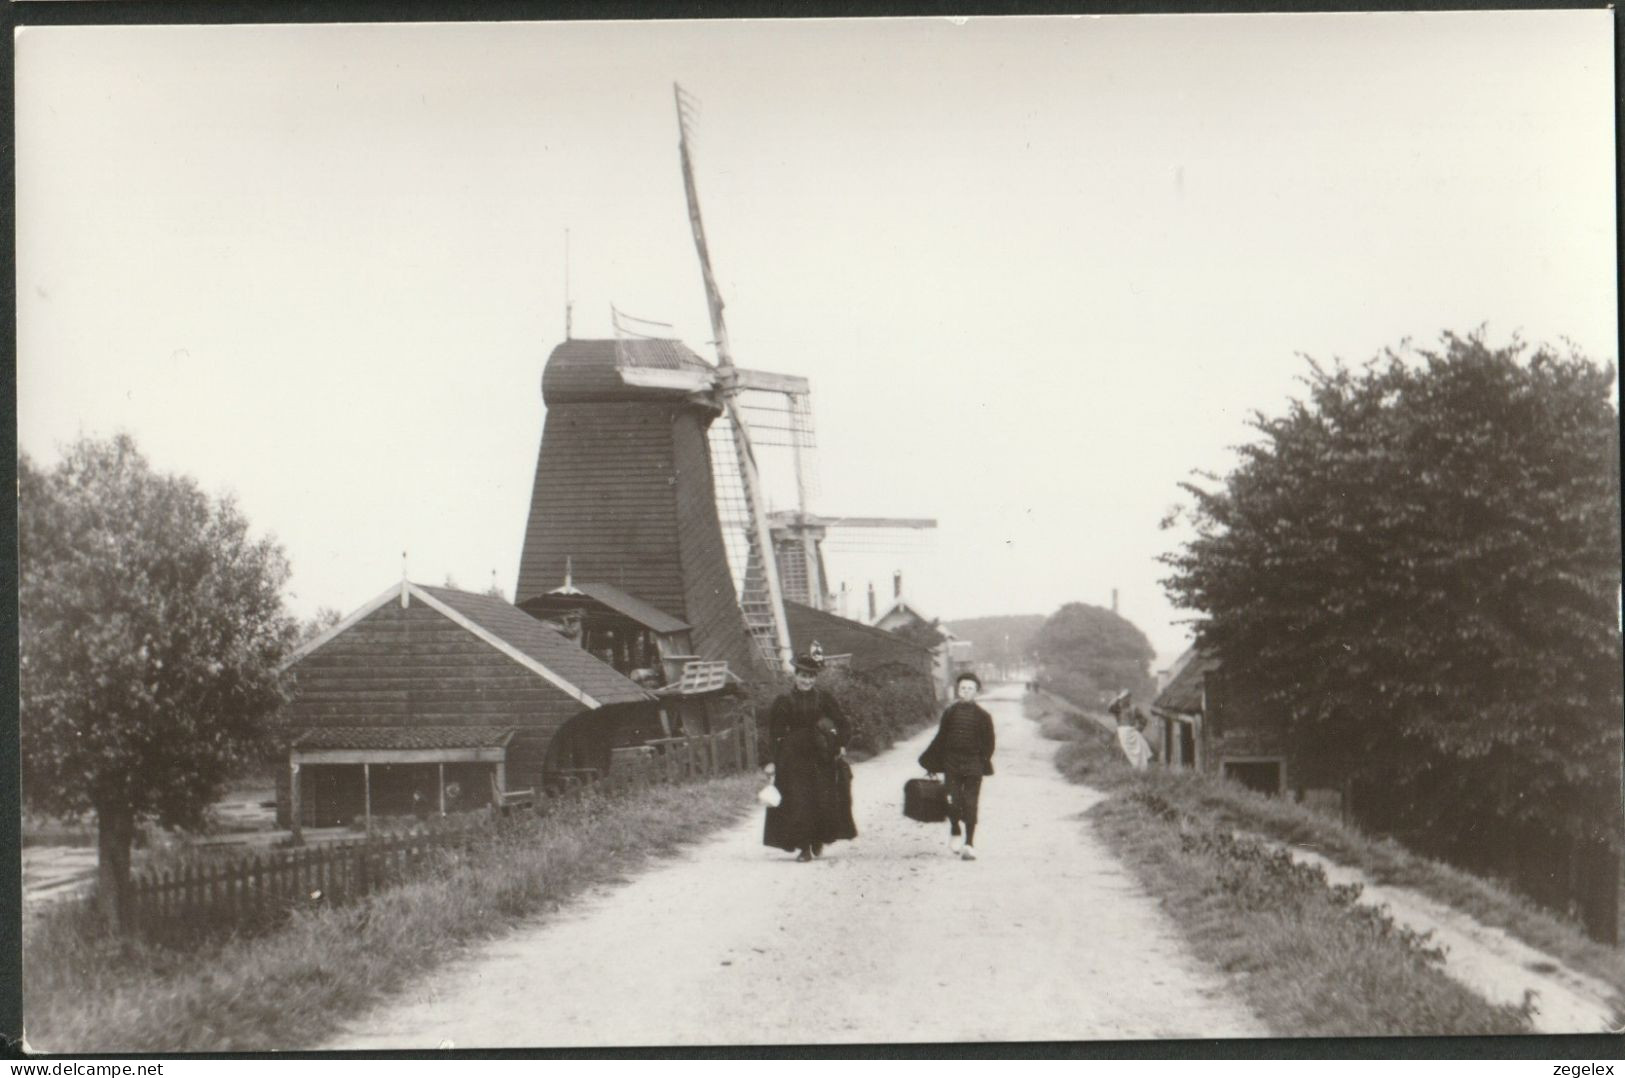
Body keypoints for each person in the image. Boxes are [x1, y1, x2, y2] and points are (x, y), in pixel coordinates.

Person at [762, 653, 857, 862]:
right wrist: (770, 760)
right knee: (798, 801)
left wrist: (841, 743)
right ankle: (804, 847)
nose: (807, 680)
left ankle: (817, 839)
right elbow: (774, 733)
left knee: (820, 800)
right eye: (803, 676)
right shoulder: (784, 701)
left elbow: (842, 722)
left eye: (811, 677)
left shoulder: (824, 698)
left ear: (815, 678)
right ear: (795, 676)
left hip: (820, 756)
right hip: (793, 757)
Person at [919, 672, 995, 860]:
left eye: (970, 688)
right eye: (963, 688)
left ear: (976, 691)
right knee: (953, 801)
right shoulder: (950, 712)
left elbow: (989, 743)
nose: (966, 691)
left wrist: (981, 760)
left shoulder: (983, 716)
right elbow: (941, 738)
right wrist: (931, 761)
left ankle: (969, 844)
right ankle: (955, 829)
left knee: (971, 803)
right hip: (951, 763)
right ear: (958, 691)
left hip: (973, 764)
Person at [1109, 690, 1154, 770]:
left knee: (1142, 748)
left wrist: (1138, 729)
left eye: (1128, 697)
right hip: (1122, 733)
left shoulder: (1134, 708)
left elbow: (1143, 720)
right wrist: (1118, 698)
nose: (1126, 700)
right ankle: (1129, 769)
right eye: (1124, 698)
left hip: (1132, 732)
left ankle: (1141, 769)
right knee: (1123, 752)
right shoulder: (1118, 709)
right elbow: (1110, 708)